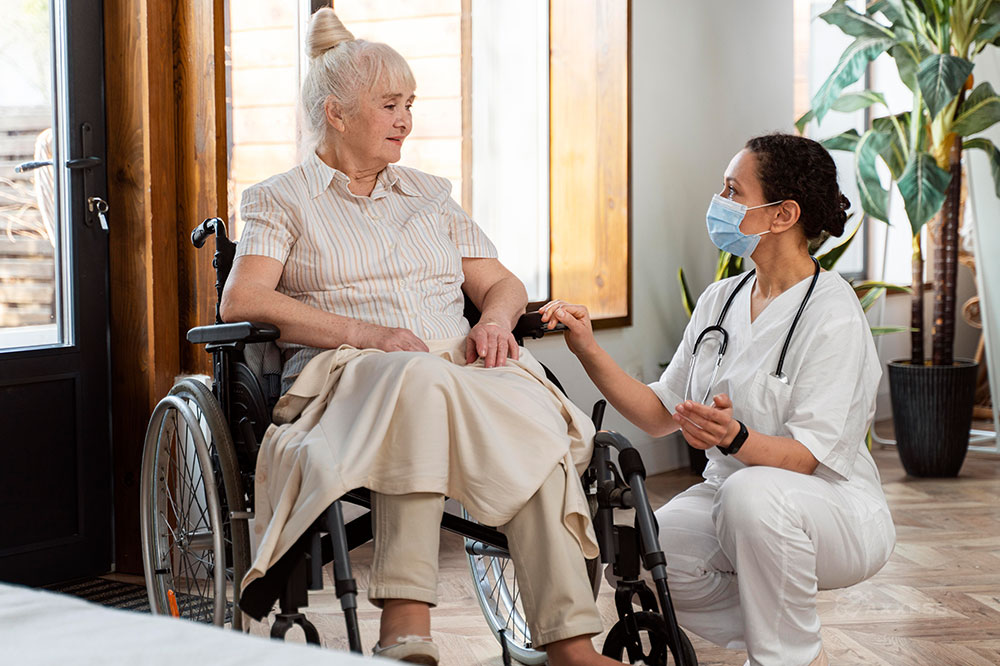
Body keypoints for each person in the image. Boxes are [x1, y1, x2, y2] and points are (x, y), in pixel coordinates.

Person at [221, 8, 621, 666]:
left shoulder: (431, 196)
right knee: (419, 376)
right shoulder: (281, 199)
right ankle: (405, 619)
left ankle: (569, 642)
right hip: (347, 377)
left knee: (526, 411)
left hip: (450, 370)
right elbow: (245, 297)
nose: (406, 119)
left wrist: (493, 320)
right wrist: (369, 333)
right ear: (336, 112)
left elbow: (503, 285)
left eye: (409, 104)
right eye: (389, 104)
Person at [541, 133, 896, 666]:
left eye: (733, 190)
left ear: (783, 214)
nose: (719, 203)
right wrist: (587, 348)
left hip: (832, 509)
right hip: (730, 498)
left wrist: (736, 438)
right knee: (648, 557)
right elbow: (661, 414)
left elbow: (807, 457)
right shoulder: (721, 299)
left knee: (752, 494)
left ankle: (785, 656)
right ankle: (783, 631)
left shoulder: (832, 313)